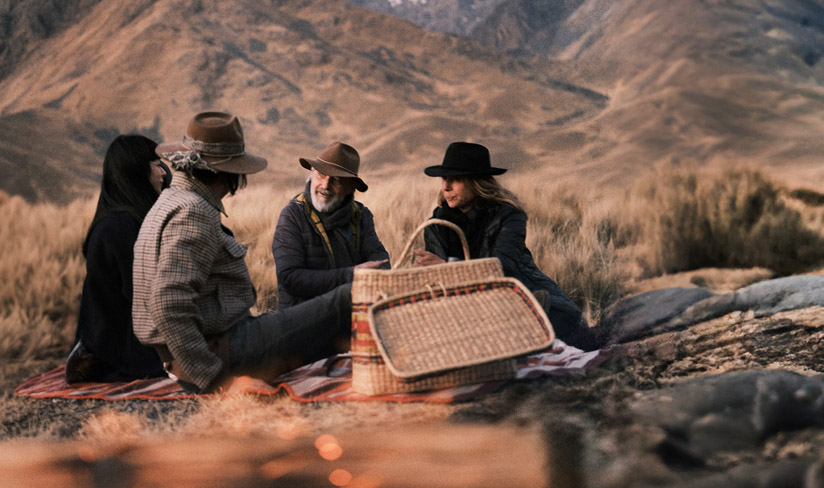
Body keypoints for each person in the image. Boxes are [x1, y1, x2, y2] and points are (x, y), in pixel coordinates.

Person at [132, 112, 352, 393]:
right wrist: (218, 382)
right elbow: (168, 303)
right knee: (346, 300)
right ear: (226, 173)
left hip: (202, 350)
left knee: (314, 313)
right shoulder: (193, 212)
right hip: (220, 352)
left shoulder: (170, 200)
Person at [413, 142, 602, 351]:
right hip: (470, 307)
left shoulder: (509, 215)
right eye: (444, 179)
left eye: (455, 179)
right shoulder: (437, 223)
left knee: (556, 329)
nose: (446, 187)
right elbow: (436, 279)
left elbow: (503, 269)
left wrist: (448, 266)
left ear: (477, 182)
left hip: (524, 295)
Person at [65, 135, 168, 383]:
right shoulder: (122, 226)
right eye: (156, 164)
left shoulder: (116, 220)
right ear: (135, 171)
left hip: (112, 342)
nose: (163, 173)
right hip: (128, 349)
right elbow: (144, 298)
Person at [273, 141, 389, 308]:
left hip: (351, 311)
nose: (325, 185)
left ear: (351, 188)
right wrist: (352, 275)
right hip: (302, 317)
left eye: (336, 180)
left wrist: (380, 271)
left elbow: (380, 258)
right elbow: (290, 278)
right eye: (321, 175)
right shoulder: (293, 216)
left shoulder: (361, 215)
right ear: (312, 174)